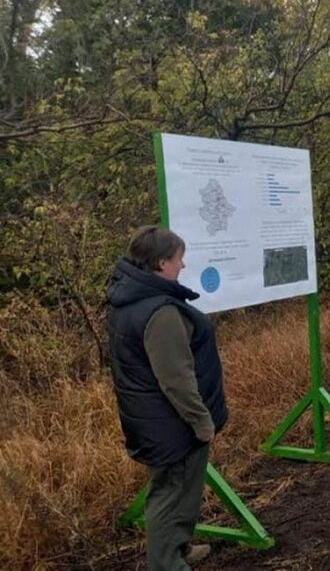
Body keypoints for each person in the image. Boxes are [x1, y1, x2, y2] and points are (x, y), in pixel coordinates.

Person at [107, 226, 228, 570]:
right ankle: (166, 563)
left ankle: (179, 548)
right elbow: (176, 379)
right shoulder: (160, 312)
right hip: (171, 424)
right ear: (162, 263)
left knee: (182, 492)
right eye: (179, 259)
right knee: (170, 495)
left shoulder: (129, 298)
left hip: (154, 419)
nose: (184, 265)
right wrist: (201, 421)